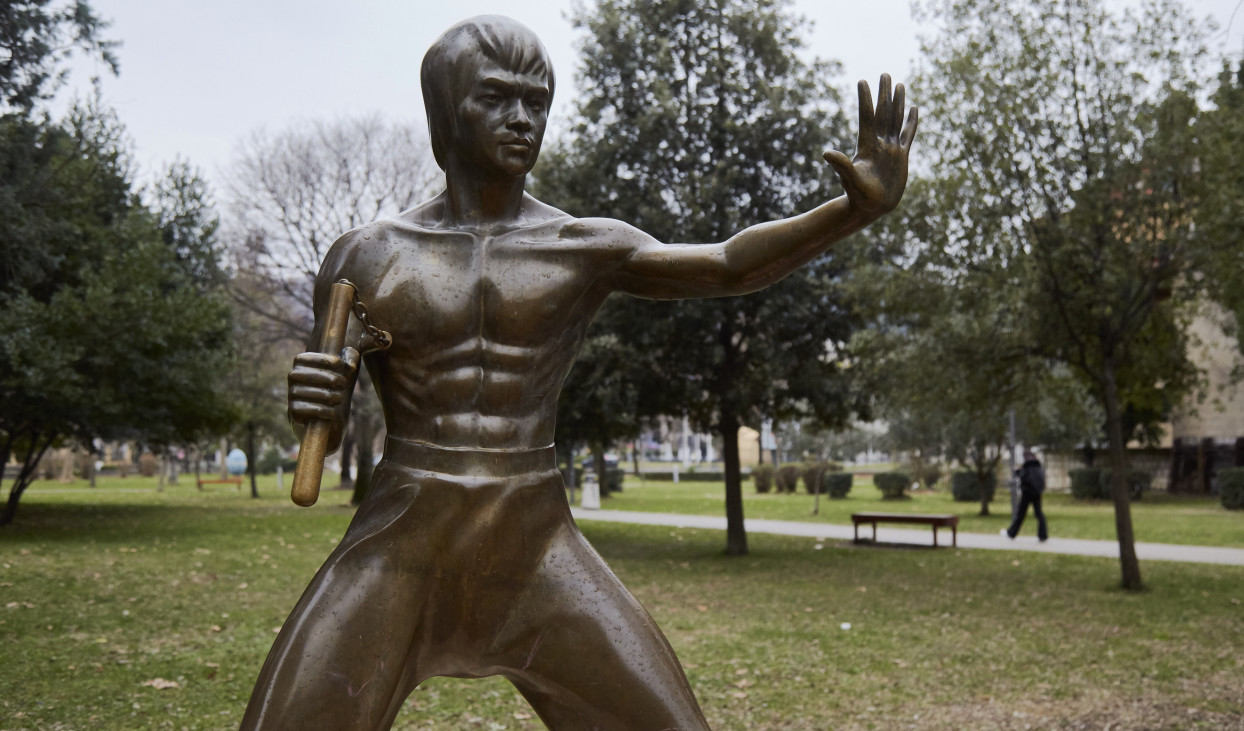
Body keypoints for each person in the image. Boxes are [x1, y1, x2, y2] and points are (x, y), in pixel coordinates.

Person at [241, 15, 917, 731]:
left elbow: (724, 265)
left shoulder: (579, 245)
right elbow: (326, 409)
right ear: (446, 110)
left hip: (533, 545)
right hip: (401, 542)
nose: (522, 118)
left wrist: (852, 210)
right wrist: (316, 395)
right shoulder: (367, 258)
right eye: (496, 97)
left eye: (536, 101)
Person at [1003, 450, 1048, 542]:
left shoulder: (1027, 466)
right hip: (1037, 493)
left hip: (1027, 493)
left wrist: (1017, 471)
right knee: (1039, 514)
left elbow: (1022, 477)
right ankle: (1043, 535)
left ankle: (1011, 533)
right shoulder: (1039, 467)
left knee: (1021, 514)